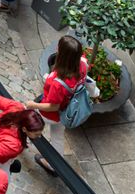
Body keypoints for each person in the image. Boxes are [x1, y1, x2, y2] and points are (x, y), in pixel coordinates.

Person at [26, 34, 89, 172]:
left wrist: (33, 105)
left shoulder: (57, 82)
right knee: (58, 138)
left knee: (27, 123)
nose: (56, 49)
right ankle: (54, 165)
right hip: (65, 113)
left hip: (50, 114)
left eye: (59, 48)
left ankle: (25, 143)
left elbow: (52, 106)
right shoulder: (83, 64)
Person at [0, 95, 45, 173]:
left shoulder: (17, 107)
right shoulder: (14, 145)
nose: (39, 136)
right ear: (24, 129)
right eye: (36, 134)